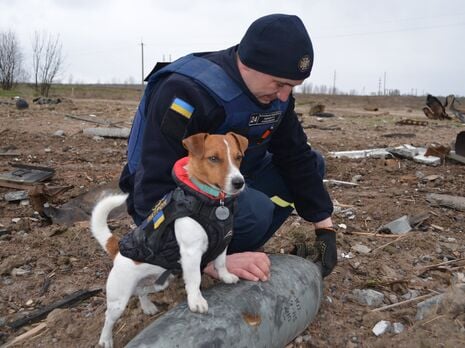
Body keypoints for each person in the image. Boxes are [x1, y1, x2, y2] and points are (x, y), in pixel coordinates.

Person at [119, 13, 337, 281]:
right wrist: (209, 264)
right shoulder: (187, 91)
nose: (284, 96)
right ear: (248, 65)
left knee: (313, 165)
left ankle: (236, 245)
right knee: (255, 211)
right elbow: (152, 188)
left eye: (292, 87)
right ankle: (205, 254)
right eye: (280, 83)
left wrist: (325, 230)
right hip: (169, 197)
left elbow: (295, 156)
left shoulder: (277, 97)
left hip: (231, 180)